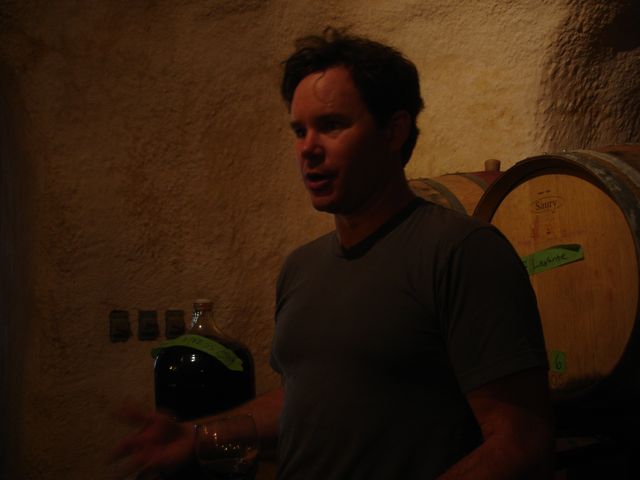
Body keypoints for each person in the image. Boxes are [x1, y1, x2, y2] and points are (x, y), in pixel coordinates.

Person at [112, 28, 553, 479]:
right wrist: (194, 436)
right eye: (299, 130)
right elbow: (304, 401)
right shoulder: (300, 268)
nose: (308, 148)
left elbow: (520, 439)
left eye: (331, 125)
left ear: (394, 131)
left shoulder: (460, 252)